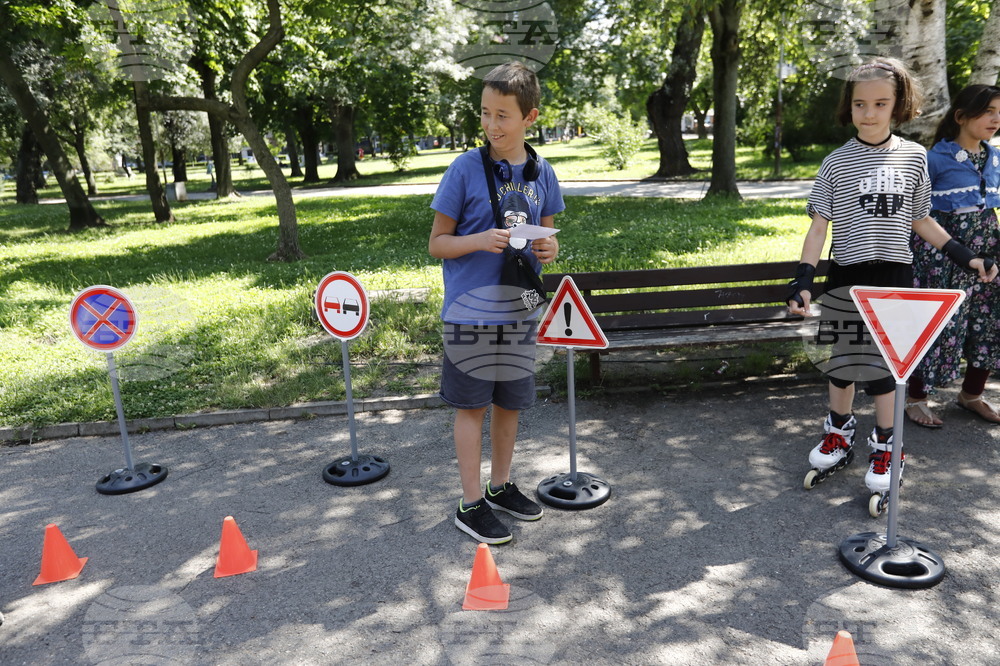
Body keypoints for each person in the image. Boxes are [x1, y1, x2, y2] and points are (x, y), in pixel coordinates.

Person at [786, 58, 997, 510]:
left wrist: (967, 256)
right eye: (860, 104)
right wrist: (803, 279)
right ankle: (839, 433)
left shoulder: (914, 157)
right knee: (841, 365)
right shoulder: (836, 161)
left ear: (898, 105)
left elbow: (922, 220)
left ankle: (887, 446)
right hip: (847, 274)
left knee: (885, 370)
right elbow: (819, 227)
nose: (869, 113)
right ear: (850, 107)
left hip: (894, 276)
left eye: (881, 103)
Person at [428, 61, 564, 544]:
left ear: (530, 117)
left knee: (510, 405)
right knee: (472, 408)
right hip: (470, 313)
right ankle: (470, 503)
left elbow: (548, 239)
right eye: (485, 113)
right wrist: (479, 239)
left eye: (503, 115)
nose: (491, 125)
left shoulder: (541, 170)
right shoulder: (464, 168)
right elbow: (437, 243)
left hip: (519, 309)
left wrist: (550, 248)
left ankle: (501, 487)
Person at [905, 85, 1000, 427]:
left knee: (987, 323)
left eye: (999, 112)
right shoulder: (934, 158)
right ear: (961, 116)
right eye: (988, 111)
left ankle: (972, 394)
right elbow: (917, 213)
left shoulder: (995, 157)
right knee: (937, 325)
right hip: (941, 256)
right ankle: (916, 399)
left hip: (988, 253)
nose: (996, 119)